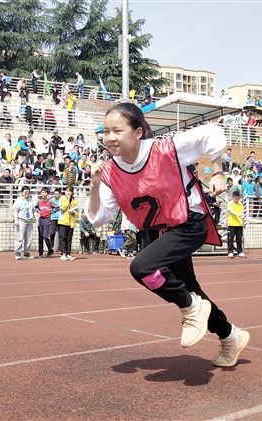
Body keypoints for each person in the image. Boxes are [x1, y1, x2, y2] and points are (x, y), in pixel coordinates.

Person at [86, 102, 248, 367]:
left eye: (117, 130)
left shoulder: (165, 149)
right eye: (106, 132)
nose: (110, 138)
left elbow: (211, 134)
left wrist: (218, 172)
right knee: (192, 290)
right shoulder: (110, 172)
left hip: (187, 222)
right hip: (157, 233)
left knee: (142, 267)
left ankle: (189, 307)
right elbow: (97, 218)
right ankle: (230, 336)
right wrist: (94, 186)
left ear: (138, 132)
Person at [13, 185, 35, 260]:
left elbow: (33, 210)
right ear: (22, 192)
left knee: (29, 238)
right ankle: (18, 253)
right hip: (21, 220)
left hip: (30, 220)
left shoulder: (31, 200)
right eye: (25, 192)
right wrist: (16, 219)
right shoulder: (18, 200)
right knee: (20, 237)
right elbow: (15, 210)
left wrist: (35, 218)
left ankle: (27, 253)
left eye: (28, 192)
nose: (27, 193)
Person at [58, 186, 78, 261]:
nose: (68, 192)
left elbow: (77, 213)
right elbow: (62, 208)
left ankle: (68, 254)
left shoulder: (74, 201)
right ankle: (63, 253)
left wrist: (74, 213)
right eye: (67, 191)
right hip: (63, 221)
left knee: (69, 239)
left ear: (72, 192)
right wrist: (68, 200)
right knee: (63, 238)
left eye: (70, 191)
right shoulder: (62, 199)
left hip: (71, 222)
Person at [35, 187, 53, 257]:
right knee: (40, 236)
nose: (43, 194)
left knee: (45, 236)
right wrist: (37, 211)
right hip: (41, 219)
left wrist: (51, 212)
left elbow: (57, 207)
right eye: (42, 192)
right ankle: (40, 253)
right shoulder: (39, 201)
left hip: (47, 219)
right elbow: (35, 207)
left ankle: (50, 249)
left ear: (47, 194)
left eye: (45, 192)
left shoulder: (50, 201)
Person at [227, 191, 245, 258]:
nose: (237, 200)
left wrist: (242, 215)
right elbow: (231, 211)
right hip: (231, 224)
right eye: (236, 198)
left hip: (239, 224)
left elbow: (242, 211)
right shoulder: (230, 203)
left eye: (238, 198)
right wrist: (239, 215)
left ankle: (240, 252)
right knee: (230, 239)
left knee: (239, 239)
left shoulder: (240, 204)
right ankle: (230, 252)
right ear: (233, 197)